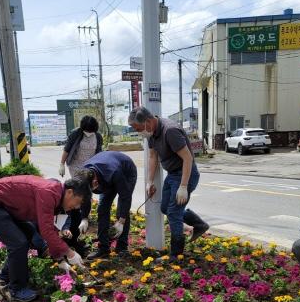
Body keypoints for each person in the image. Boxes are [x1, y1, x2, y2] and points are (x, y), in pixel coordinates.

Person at [0, 175, 90, 302]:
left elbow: (47, 228)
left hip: (0, 205)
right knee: (18, 243)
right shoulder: (49, 192)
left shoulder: (56, 194)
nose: (77, 207)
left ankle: (5, 275)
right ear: (70, 192)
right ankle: (17, 289)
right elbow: (47, 231)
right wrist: (70, 253)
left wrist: (60, 259)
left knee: (27, 232)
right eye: (78, 202)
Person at [128, 106, 209, 259]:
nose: (139, 132)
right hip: (172, 175)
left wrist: (184, 186)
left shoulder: (170, 131)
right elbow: (153, 157)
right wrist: (149, 181)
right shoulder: (151, 133)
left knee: (174, 212)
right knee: (165, 207)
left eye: (138, 128)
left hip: (186, 174)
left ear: (148, 122)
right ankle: (199, 224)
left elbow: (187, 158)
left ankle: (176, 254)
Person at [77, 151, 138, 259]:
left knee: (121, 211)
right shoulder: (84, 174)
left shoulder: (114, 172)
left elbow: (125, 197)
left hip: (126, 172)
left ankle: (122, 247)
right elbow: (85, 196)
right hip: (105, 176)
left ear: (95, 182)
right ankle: (103, 248)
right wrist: (84, 218)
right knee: (102, 209)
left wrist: (121, 221)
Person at [58, 115, 103, 244]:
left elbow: (99, 152)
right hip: (76, 166)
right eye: (87, 131)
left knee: (87, 191)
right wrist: (62, 164)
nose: (89, 133)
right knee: (83, 190)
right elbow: (67, 149)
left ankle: (82, 215)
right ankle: (79, 215)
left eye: (91, 131)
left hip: (90, 166)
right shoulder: (76, 133)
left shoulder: (97, 136)